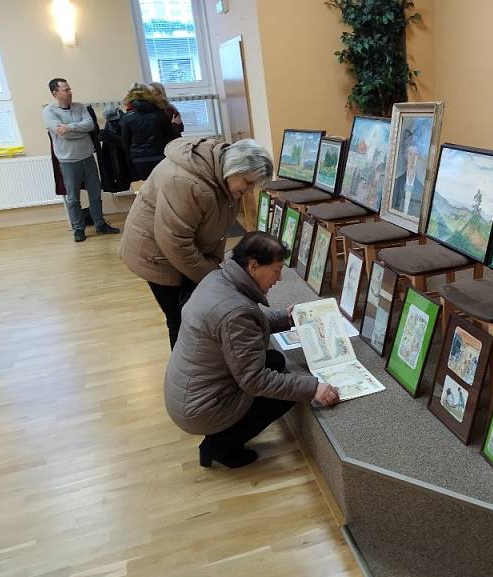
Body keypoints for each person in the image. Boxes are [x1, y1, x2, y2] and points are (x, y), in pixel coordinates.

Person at [164, 232, 341, 468]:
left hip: (191, 392)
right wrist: (313, 387)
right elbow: (254, 381)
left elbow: (249, 322)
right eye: (276, 270)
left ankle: (224, 436)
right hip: (201, 408)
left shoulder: (218, 279)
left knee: (275, 362)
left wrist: (286, 319)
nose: (278, 279)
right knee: (286, 392)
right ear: (254, 266)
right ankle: (220, 446)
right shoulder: (234, 312)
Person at [119, 137, 272, 349]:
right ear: (234, 168)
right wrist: (212, 278)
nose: (249, 191)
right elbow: (176, 245)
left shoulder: (222, 175)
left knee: (197, 306)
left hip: (178, 246)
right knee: (181, 320)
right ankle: (186, 378)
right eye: (247, 183)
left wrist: (214, 268)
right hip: (156, 254)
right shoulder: (186, 182)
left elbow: (217, 230)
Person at [42, 78, 121, 242]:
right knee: (73, 198)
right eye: (65, 90)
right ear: (55, 93)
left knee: (95, 193)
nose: (70, 92)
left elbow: (90, 125)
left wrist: (70, 127)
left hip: (87, 157)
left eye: (70, 89)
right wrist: (78, 129)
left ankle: (100, 225)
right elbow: (59, 132)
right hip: (68, 161)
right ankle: (78, 229)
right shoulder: (49, 112)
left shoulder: (80, 107)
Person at [120, 82, 177, 181]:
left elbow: (125, 143)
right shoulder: (160, 114)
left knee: (147, 190)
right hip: (161, 156)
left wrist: (130, 161)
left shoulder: (127, 117)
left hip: (139, 160)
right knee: (164, 187)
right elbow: (172, 137)